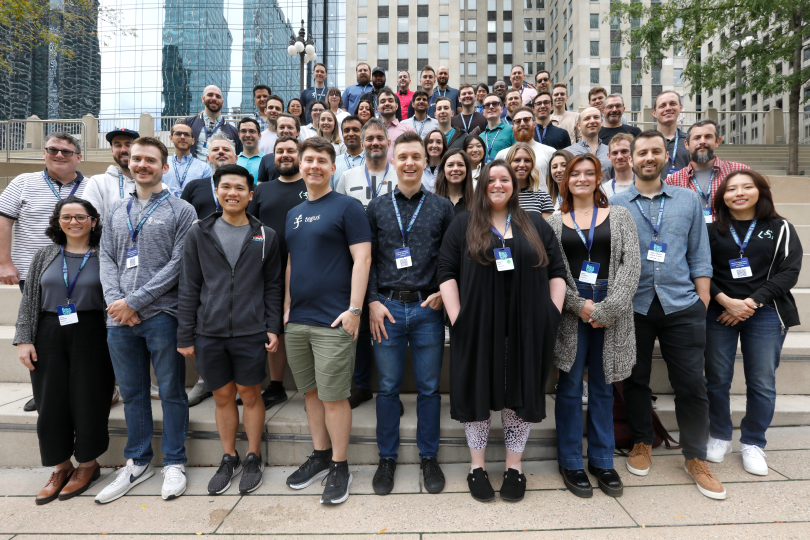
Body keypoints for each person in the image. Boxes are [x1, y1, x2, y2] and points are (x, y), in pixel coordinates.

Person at [438, 159, 567, 503]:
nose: (497, 184)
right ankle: (476, 467)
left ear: (514, 185)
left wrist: (552, 314)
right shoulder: (464, 222)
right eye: (491, 179)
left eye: (504, 179)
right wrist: (458, 317)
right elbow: (446, 270)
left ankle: (514, 467)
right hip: (478, 326)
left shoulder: (534, 222)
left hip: (526, 327)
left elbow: (557, 270)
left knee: (518, 395)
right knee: (478, 394)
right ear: (482, 186)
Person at [610, 130, 726, 500]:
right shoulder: (615, 203)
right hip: (634, 305)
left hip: (681, 304)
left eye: (654, 151)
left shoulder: (688, 200)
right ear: (629, 157)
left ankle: (695, 456)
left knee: (691, 384)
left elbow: (700, 253)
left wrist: (702, 300)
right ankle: (643, 441)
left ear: (666, 156)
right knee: (636, 379)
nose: (647, 157)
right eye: (640, 152)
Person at [95, 136, 196, 504]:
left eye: (150, 160)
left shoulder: (181, 210)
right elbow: (105, 257)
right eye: (136, 159)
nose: (142, 165)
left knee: (170, 391)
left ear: (164, 166)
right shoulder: (115, 210)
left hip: (162, 315)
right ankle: (138, 461)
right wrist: (115, 302)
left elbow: (180, 263)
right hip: (119, 319)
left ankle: (174, 461)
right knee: (134, 393)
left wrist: (135, 301)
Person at [178, 164, 283, 495]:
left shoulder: (266, 236)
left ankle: (253, 455)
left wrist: (272, 326)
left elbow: (273, 286)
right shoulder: (199, 233)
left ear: (251, 195)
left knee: (250, 395)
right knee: (223, 396)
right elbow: (189, 285)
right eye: (226, 187)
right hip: (209, 331)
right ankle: (229, 456)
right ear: (216, 191)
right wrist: (185, 333)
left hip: (250, 330)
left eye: (240, 188)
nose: (233, 193)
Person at [283, 137, 372, 505]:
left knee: (335, 397)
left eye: (322, 160)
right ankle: (320, 455)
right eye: (309, 160)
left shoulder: (348, 207)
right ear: (300, 166)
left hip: (334, 321)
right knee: (310, 393)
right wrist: (287, 307)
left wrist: (354, 310)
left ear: (333, 168)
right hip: (298, 320)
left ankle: (339, 465)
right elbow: (291, 263)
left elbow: (363, 260)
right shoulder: (294, 213)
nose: (315, 166)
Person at [547, 153, 640, 499]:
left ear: (598, 177)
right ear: (565, 180)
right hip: (572, 309)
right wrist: (579, 305)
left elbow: (631, 266)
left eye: (589, 173)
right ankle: (570, 460)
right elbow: (552, 273)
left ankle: (602, 460)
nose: (582, 179)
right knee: (570, 386)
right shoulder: (555, 222)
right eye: (575, 174)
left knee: (603, 387)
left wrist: (608, 309)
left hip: (610, 303)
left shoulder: (619, 216)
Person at [366, 130, 454, 496]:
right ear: (392, 159)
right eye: (402, 156)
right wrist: (371, 300)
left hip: (426, 310)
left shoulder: (441, 207)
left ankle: (428, 457)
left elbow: (451, 259)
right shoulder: (376, 206)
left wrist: (440, 294)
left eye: (416, 156)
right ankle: (387, 458)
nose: (409, 163)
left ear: (425, 160)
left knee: (429, 389)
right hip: (385, 308)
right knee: (386, 388)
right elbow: (365, 259)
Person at [15, 196, 114, 504]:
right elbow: (29, 298)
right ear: (57, 221)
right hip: (48, 330)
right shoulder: (45, 254)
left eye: (81, 216)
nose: (74, 222)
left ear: (93, 221)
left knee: (89, 398)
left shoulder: (104, 254)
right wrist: (23, 339)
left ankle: (88, 464)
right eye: (66, 216)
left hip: (92, 333)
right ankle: (60, 466)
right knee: (51, 401)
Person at [704, 171, 801, 476]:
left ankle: (753, 441)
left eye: (747, 187)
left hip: (767, 312)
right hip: (719, 312)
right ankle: (719, 435)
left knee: (761, 381)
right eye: (731, 188)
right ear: (722, 196)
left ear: (760, 191)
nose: (739, 193)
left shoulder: (780, 227)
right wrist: (725, 301)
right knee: (716, 378)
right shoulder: (710, 229)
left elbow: (789, 271)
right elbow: (699, 269)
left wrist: (750, 303)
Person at [248, 137, 309, 410]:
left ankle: (313, 386)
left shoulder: (311, 185)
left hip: (306, 268)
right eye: (280, 151)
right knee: (273, 327)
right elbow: (250, 227)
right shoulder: (262, 190)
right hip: (267, 269)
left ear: (299, 155)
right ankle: (274, 385)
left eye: (290, 151)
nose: (285, 155)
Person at [665, 119, 751, 224]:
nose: (702, 141)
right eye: (696, 138)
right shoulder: (672, 181)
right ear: (686, 144)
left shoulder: (741, 172)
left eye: (708, 137)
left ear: (717, 142)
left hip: (732, 237)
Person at [336, 118, 398, 207]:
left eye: (380, 138)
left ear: (388, 144)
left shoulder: (400, 176)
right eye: (370, 139)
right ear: (362, 145)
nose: (375, 143)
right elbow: (339, 212)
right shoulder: (347, 177)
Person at [84, 128, 142, 220]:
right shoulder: (97, 182)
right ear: (112, 150)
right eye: (118, 145)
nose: (123, 150)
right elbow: (91, 221)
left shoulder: (153, 183)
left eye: (128, 145)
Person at [181, 132, 237, 221]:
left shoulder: (249, 188)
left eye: (226, 149)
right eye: (215, 149)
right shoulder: (193, 187)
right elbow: (182, 220)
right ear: (208, 159)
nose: (221, 152)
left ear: (236, 158)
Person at [495, 106, 555, 190]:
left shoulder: (550, 152)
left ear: (534, 124)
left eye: (526, 119)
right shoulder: (502, 155)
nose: (522, 124)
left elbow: (553, 187)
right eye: (518, 121)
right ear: (513, 128)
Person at [182, 85, 242, 158]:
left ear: (223, 102)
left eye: (218, 96)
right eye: (210, 95)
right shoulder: (188, 123)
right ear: (203, 99)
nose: (214, 98)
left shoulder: (234, 131)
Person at [157, 123, 211, 199]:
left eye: (187, 134)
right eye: (178, 134)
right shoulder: (161, 164)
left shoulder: (204, 168)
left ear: (193, 141)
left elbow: (207, 196)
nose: (182, 137)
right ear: (171, 138)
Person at [504, 142, 554, 216]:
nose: (522, 165)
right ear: (509, 164)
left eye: (527, 160)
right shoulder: (501, 196)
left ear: (532, 165)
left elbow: (545, 227)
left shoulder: (543, 198)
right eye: (517, 160)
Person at [256, 114, 302, 185]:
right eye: (282, 127)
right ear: (276, 131)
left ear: (298, 131)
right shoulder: (266, 159)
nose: (286, 131)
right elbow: (260, 186)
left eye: (290, 127)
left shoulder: (307, 158)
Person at [653, 91, 690, 179]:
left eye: (672, 104)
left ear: (680, 108)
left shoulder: (691, 141)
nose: (668, 108)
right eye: (662, 106)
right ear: (654, 113)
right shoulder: (645, 141)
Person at [564, 107, 611, 172]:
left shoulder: (611, 152)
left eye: (596, 117)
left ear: (601, 122)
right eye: (587, 119)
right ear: (579, 125)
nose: (592, 121)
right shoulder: (567, 153)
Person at [377, 87, 416, 162]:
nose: (387, 103)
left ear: (397, 106)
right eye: (383, 101)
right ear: (378, 108)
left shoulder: (408, 131)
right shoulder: (372, 131)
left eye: (390, 101)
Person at [435, 148, 474, 215]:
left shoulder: (477, 203)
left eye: (460, 165)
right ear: (443, 170)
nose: (455, 169)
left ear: (467, 170)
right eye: (450, 165)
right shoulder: (433, 202)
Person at [332, 115, 366, 189]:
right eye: (346, 131)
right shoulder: (334, 162)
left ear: (363, 134)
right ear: (343, 135)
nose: (350, 134)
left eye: (355, 130)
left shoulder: (371, 161)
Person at [481, 94, 516, 164]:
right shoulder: (480, 136)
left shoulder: (512, 130)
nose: (491, 107)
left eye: (495, 104)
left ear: (501, 109)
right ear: (483, 112)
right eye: (487, 105)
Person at [602, 134, 635, 199]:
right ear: (609, 156)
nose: (619, 157)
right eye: (615, 153)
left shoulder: (645, 186)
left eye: (624, 151)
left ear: (633, 153)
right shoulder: (603, 190)